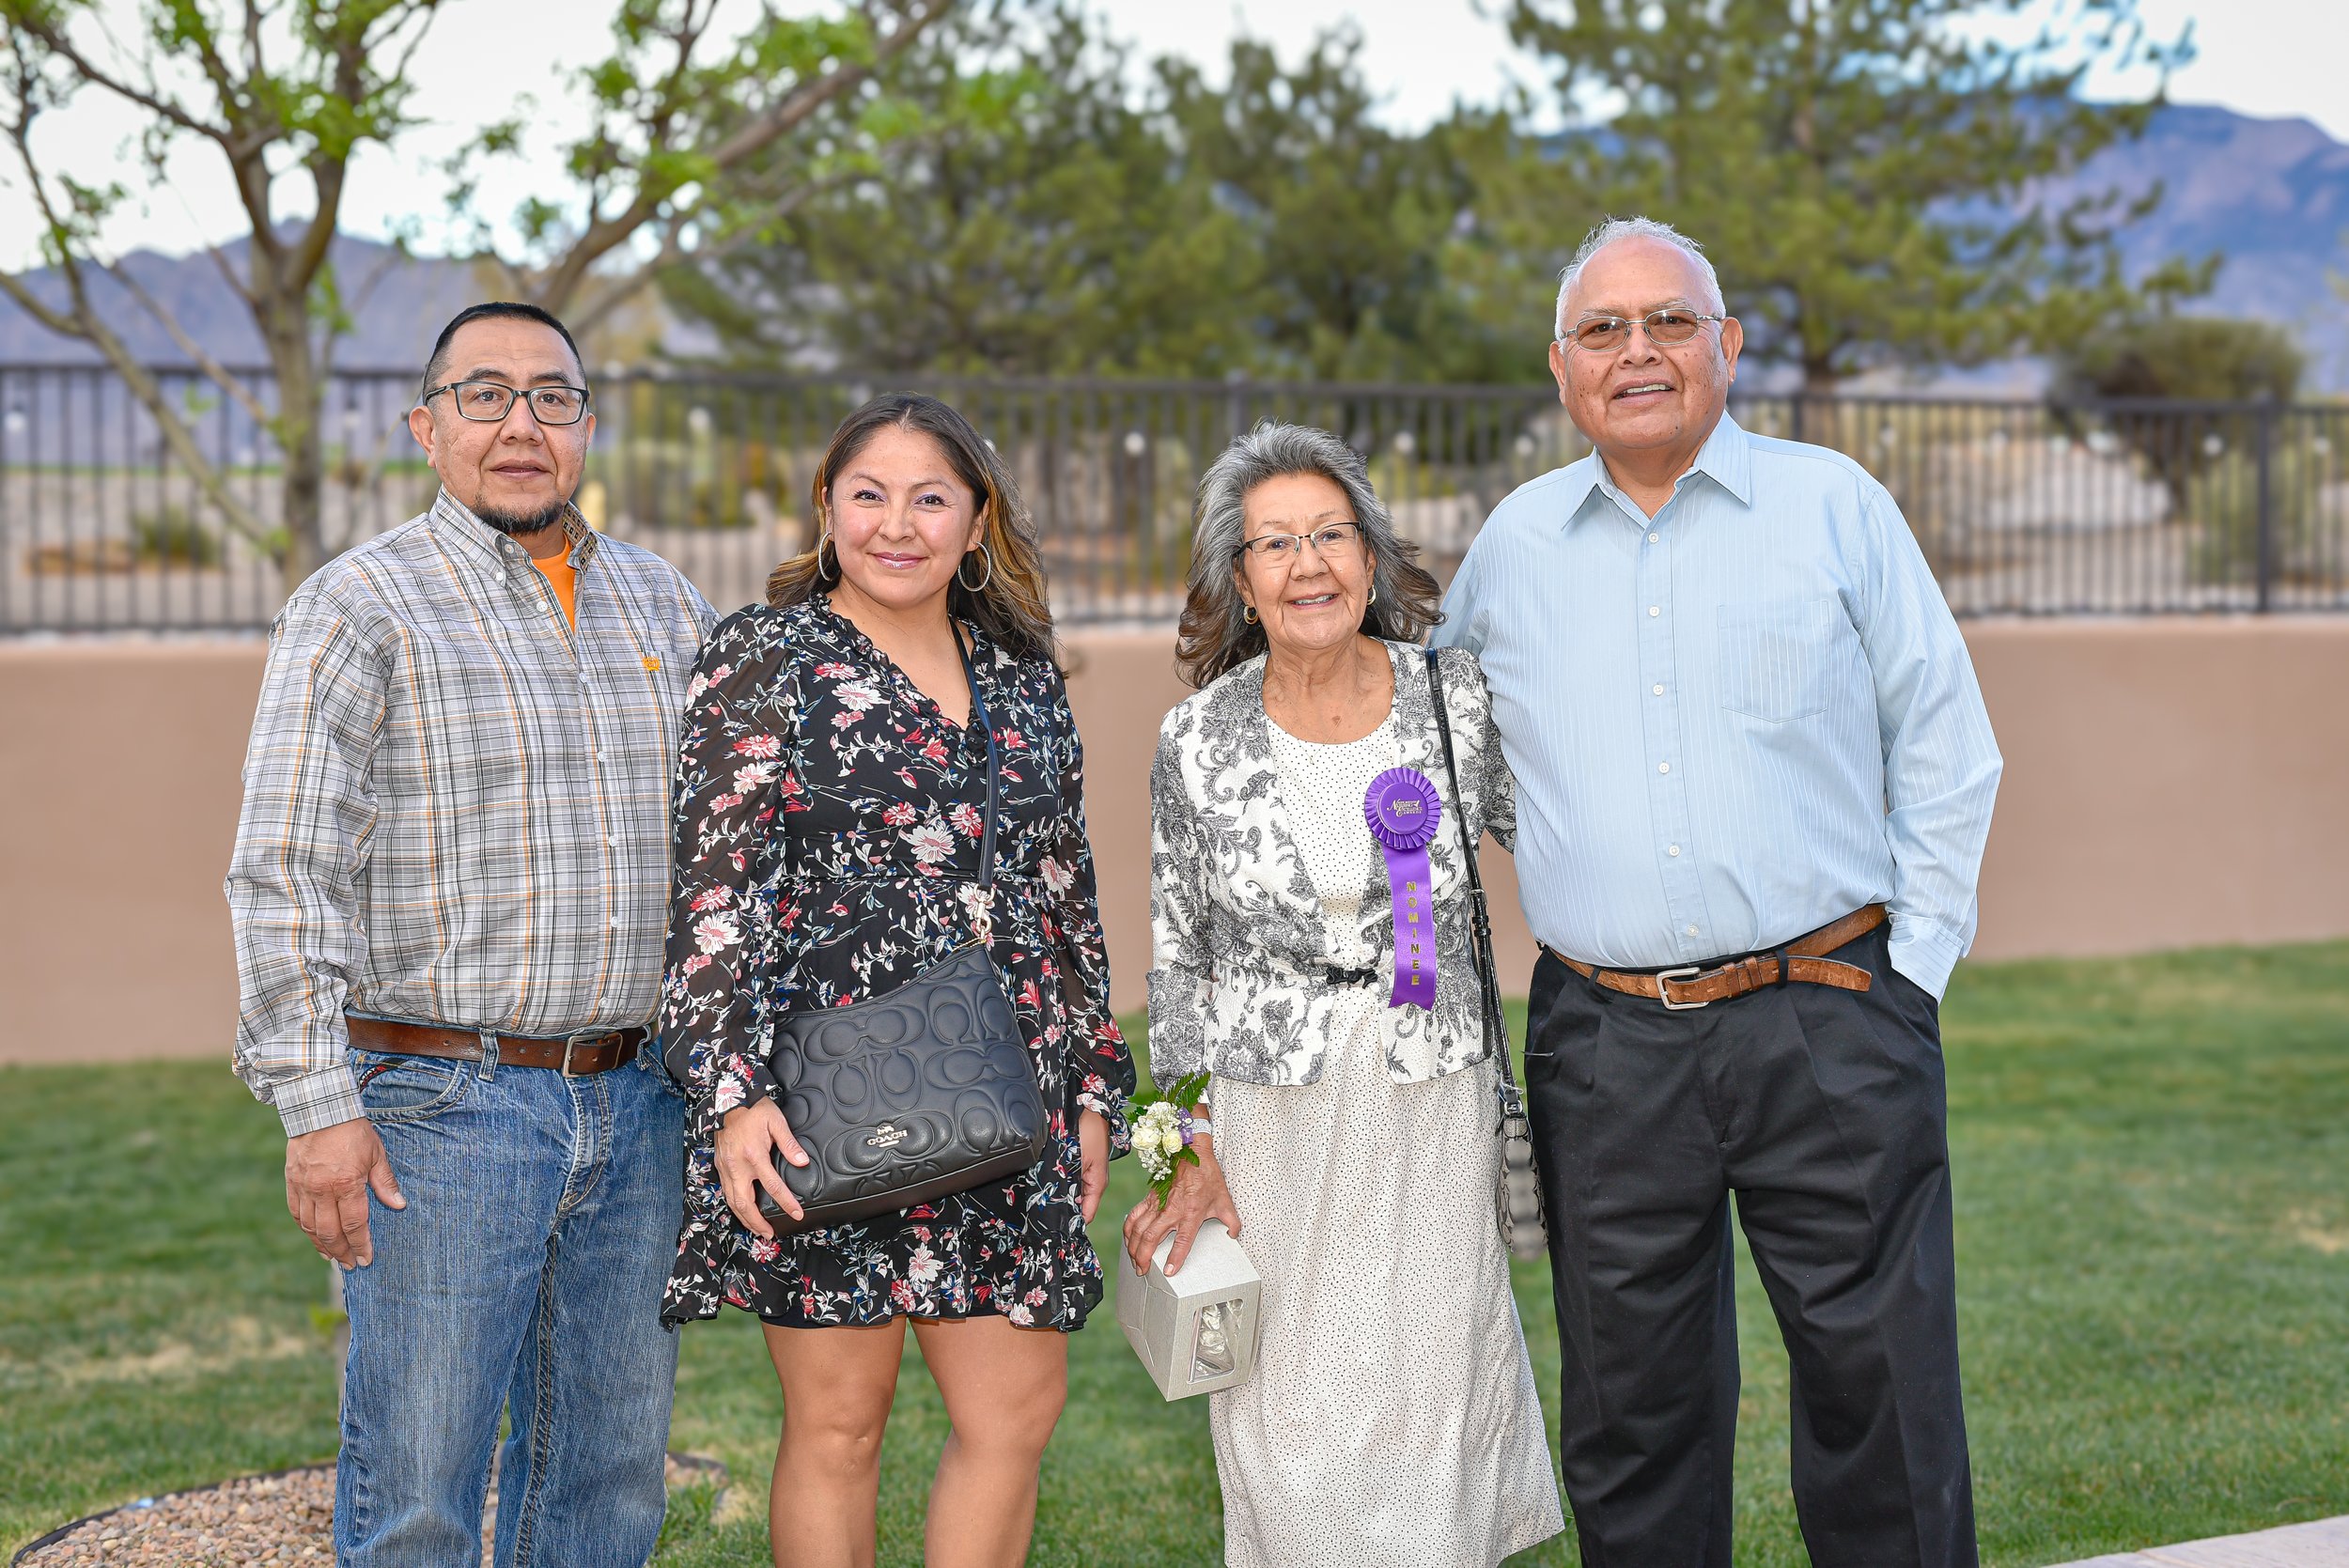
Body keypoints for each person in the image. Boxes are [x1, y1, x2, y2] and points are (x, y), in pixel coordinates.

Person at [1433, 217, 2005, 1568]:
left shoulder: (1835, 506)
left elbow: (1944, 739)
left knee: (1884, 1392)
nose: (1639, 352)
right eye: (1604, 330)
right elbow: (1425, 747)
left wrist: (1908, 972)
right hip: (1607, 1044)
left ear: (1728, 346)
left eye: (1671, 322)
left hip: (1831, 1013)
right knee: (1634, 1413)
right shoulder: (1511, 548)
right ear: (1561, 367)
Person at [226, 302, 717, 1567]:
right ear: (426, 428)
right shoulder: (358, 607)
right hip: (441, 1109)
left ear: (586, 426)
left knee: (606, 1487)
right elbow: (283, 870)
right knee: (420, 1498)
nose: (520, 425)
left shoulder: (667, 607)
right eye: (484, 396)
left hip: (639, 1106)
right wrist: (316, 1106)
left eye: (550, 398)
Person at [661, 392, 1134, 1568]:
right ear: (826, 509)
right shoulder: (763, 658)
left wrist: (1088, 1084)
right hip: (825, 1097)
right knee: (836, 1425)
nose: (898, 523)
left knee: (1013, 1416)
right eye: (868, 494)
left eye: (932, 497)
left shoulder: (1024, 676)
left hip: (1006, 1088)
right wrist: (731, 1095)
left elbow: (1063, 894)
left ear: (977, 524)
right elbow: (714, 894)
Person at [1125, 422, 1564, 1568]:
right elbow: (1180, 959)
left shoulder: (1454, 699)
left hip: (1431, 1101)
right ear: (1241, 579)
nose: (1306, 564)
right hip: (1275, 1120)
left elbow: (1563, 833)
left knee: (1433, 1393)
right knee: (1291, 1417)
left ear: (1371, 558)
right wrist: (1179, 1151)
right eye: (1275, 544)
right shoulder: (1196, 739)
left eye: (1329, 534)